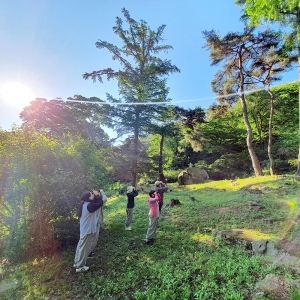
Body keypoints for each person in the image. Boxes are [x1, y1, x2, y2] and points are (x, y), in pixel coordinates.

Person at [73, 190, 103, 273]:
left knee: (80, 246)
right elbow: (100, 203)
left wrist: (95, 196)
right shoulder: (89, 206)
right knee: (84, 249)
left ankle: (76, 262)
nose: (93, 195)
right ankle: (80, 266)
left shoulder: (84, 204)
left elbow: (96, 203)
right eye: (92, 195)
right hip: (87, 230)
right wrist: (97, 195)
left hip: (84, 229)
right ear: (89, 197)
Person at [89, 189, 107, 257]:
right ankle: (89, 253)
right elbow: (105, 199)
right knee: (94, 238)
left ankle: (89, 252)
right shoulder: (97, 202)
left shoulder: (91, 202)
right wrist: (102, 192)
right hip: (95, 221)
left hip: (92, 221)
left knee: (91, 238)